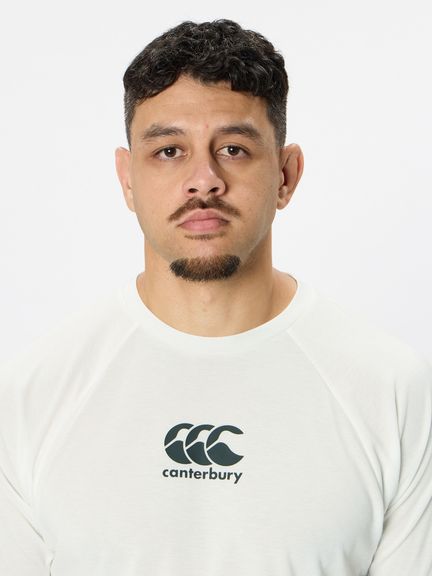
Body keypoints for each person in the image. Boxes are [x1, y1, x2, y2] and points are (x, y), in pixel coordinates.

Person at [0, 19, 431, 576]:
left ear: (286, 174)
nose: (203, 179)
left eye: (233, 148)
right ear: (127, 179)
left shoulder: (391, 391)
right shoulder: (34, 393)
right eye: (169, 151)